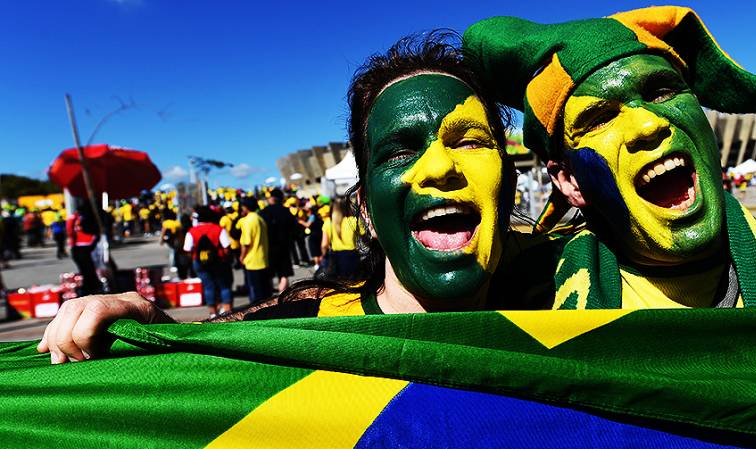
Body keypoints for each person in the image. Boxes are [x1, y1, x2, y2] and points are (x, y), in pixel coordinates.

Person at [38, 32, 514, 357]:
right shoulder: (307, 323)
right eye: (398, 152)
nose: (439, 167)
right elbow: (195, 350)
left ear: (511, 185)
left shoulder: (575, 297)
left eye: (470, 141)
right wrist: (140, 318)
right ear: (364, 211)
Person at [463, 6, 756, 309]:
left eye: (661, 91)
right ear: (568, 182)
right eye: (600, 118)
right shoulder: (524, 303)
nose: (649, 124)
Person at [184, 206, 233, 318]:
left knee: (208, 286)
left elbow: (187, 249)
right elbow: (226, 247)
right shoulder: (218, 229)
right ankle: (227, 312)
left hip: (199, 262)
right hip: (219, 262)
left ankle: (212, 313)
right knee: (224, 286)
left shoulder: (192, 231)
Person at [258, 188, 296, 293]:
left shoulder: (263, 212)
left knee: (269, 273)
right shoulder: (286, 211)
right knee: (283, 273)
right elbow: (294, 228)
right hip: (284, 245)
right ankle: (281, 295)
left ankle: (269, 296)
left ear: (271, 198)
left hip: (268, 247)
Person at [237, 196, 272, 303]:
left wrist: (242, 257)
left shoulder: (248, 221)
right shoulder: (260, 219)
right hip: (263, 259)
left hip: (252, 261)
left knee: (256, 294)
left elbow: (246, 243)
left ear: (245, 207)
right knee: (265, 293)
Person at [320, 197, 362, 279]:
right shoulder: (354, 220)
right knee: (355, 282)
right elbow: (365, 237)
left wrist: (323, 256)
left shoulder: (328, 222)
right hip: (353, 256)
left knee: (339, 283)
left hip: (336, 256)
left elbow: (324, 245)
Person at [66, 202, 102, 297]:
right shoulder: (78, 218)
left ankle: (90, 287)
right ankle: (91, 287)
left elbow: (70, 232)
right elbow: (70, 232)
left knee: (87, 269)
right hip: (83, 246)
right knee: (88, 269)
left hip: (81, 246)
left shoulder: (74, 218)